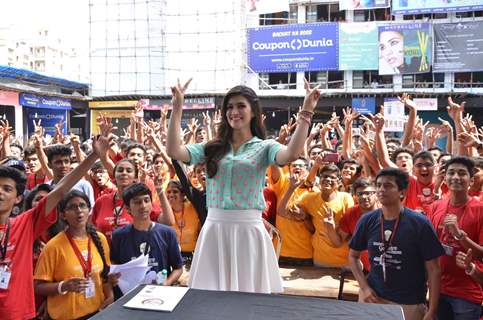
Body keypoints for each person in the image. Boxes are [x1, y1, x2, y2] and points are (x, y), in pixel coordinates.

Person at [166, 78, 320, 293]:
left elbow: (291, 154)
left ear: (253, 112)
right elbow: (174, 150)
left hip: (249, 230)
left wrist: (306, 111)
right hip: (214, 228)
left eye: (241, 106)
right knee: (211, 299)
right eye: (229, 107)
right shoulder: (212, 147)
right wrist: (177, 106)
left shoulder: (266, 147)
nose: (234, 111)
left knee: (248, 298)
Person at [0, 134, 110, 320]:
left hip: (16, 314)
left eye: (7, 189)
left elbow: (60, 189)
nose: (0, 193)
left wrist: (93, 156)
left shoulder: (25, 224)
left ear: (18, 198)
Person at [348, 168, 444, 320]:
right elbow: (353, 257)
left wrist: (432, 310)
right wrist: (364, 288)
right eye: (378, 185)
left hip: (408, 304)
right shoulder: (367, 220)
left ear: (402, 193)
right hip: (372, 298)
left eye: (388, 185)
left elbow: (434, 270)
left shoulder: (419, 223)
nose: (381, 189)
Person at [34, 190, 113, 320]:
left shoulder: (100, 239)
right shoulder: (53, 246)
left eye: (82, 205)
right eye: (72, 207)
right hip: (66, 316)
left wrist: (110, 296)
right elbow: (38, 287)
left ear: (89, 210)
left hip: (97, 313)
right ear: (63, 215)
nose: (79, 210)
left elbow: (104, 277)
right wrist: (64, 286)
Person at [426, 157, 483, 320]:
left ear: (471, 180)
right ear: (444, 178)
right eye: (451, 173)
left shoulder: (480, 210)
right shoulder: (435, 206)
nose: (456, 177)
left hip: (466, 293)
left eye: (462, 173)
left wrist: (459, 235)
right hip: (437, 289)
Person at [110, 183, 183, 287]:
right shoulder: (118, 235)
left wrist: (167, 282)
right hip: (129, 295)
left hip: (159, 294)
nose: (143, 206)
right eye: (137, 202)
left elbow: (178, 268)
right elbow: (115, 264)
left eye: (146, 200)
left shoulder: (167, 233)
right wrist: (113, 277)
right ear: (127, 208)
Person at [90, 159, 173, 242]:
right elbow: (91, 230)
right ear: (114, 175)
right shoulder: (101, 201)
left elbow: (168, 221)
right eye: (120, 170)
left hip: (134, 253)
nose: (124, 173)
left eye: (129, 171)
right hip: (105, 253)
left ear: (135, 177)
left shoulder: (142, 201)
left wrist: (160, 190)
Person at [324, 177, 377, 271]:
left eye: (368, 193)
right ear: (355, 196)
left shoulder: (388, 212)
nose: (364, 197)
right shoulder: (351, 213)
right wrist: (330, 228)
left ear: (376, 194)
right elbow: (338, 242)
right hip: (360, 271)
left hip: (386, 270)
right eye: (360, 194)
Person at [166, 180, 200, 257]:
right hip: (173, 255)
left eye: (175, 191)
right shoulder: (165, 213)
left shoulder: (193, 208)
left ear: (183, 194)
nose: (171, 195)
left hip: (194, 255)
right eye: (168, 192)